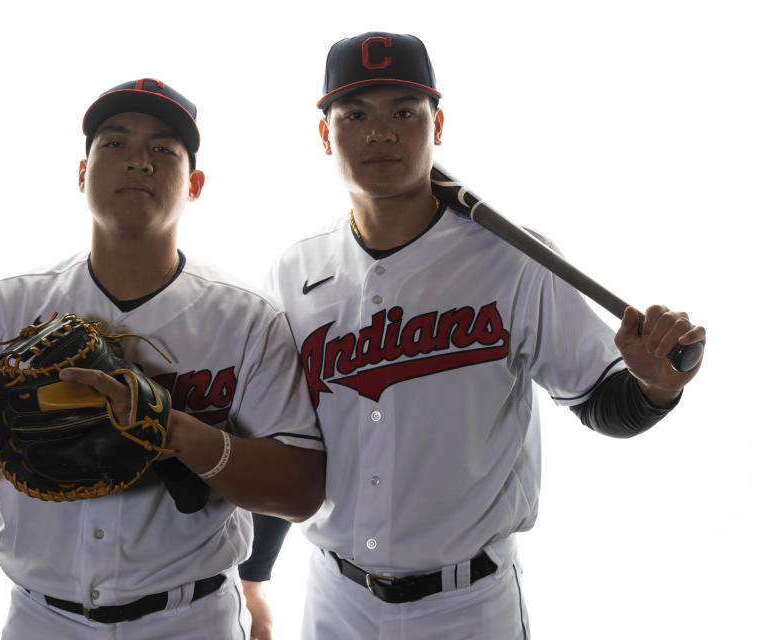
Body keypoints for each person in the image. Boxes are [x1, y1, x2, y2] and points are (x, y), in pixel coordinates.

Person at [248, 32, 707, 639]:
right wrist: (254, 575)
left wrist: (653, 388)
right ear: (324, 132)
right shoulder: (295, 271)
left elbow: (604, 402)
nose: (380, 132)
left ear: (437, 125)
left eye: (404, 112)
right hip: (336, 601)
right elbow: (290, 444)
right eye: (355, 114)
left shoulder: (512, 257)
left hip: (466, 608)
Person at [0, 78, 326, 640]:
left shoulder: (247, 319)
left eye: (164, 149)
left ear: (194, 184)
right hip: (40, 619)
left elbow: (299, 491)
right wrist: (22, 410)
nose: (139, 161)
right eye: (115, 143)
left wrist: (173, 432)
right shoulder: (5, 307)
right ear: (81, 174)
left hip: (190, 619)